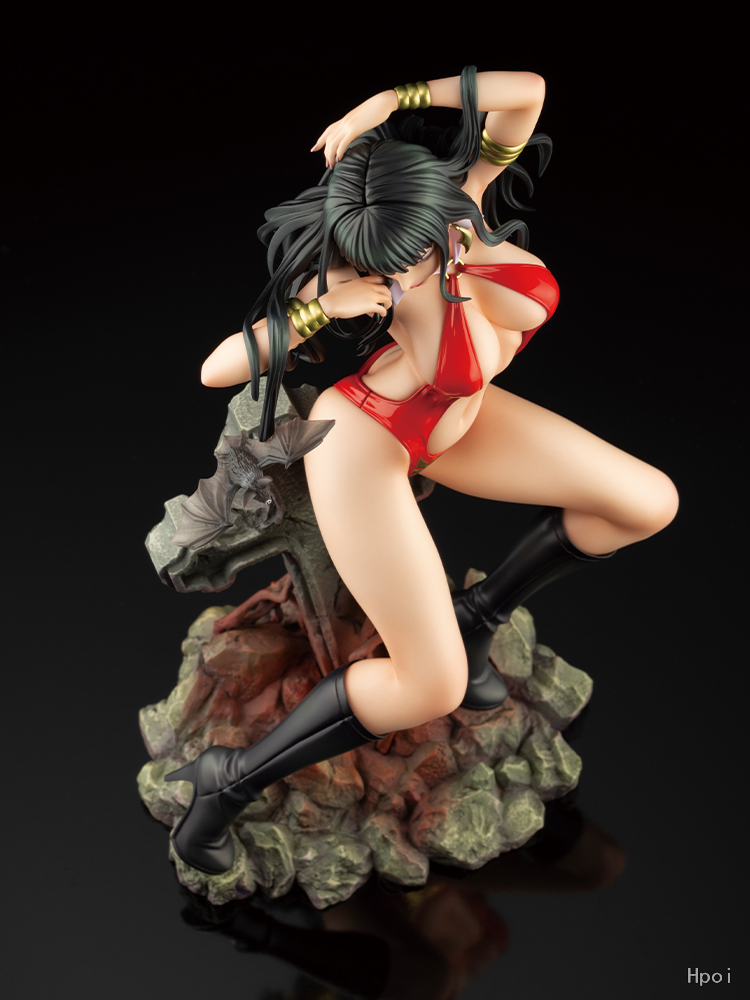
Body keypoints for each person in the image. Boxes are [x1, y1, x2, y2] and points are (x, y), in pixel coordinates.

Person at [166, 67, 678, 875]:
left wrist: (391, 100)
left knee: (647, 502)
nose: (404, 278)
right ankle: (227, 782)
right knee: (428, 686)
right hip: (367, 441)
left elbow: (527, 90)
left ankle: (476, 618)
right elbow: (216, 370)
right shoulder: (358, 274)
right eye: (391, 268)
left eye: (416, 256)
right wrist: (318, 309)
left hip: (457, 422)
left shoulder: (464, 197)